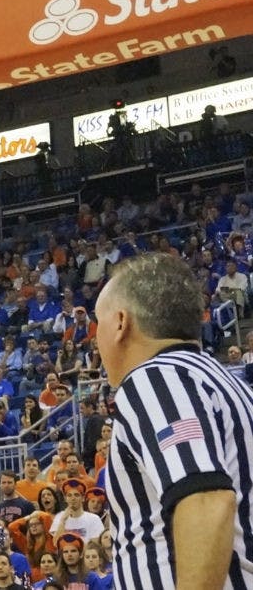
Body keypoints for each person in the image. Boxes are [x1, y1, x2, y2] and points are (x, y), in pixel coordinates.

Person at [95, 252, 253, 589]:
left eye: (99, 323)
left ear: (121, 323)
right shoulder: (233, 386)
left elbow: (206, 499)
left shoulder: (156, 379)